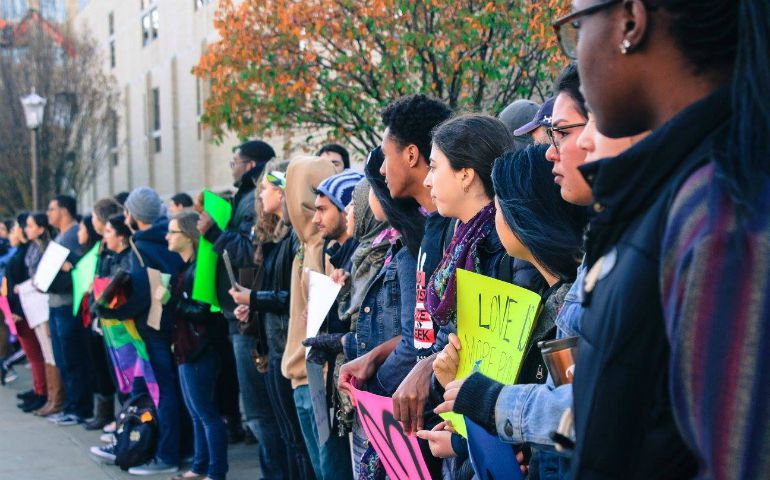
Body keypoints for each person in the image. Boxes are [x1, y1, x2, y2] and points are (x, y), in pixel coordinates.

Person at [561, 0, 770, 478]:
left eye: (578, 24)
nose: (577, 49)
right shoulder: (680, 192)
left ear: (631, 21)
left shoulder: (724, 214)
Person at [431, 144, 586, 478]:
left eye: (499, 205)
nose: (494, 217)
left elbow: (569, 418)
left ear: (524, 215)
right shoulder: (556, 294)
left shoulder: (571, 308)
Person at [337, 147, 425, 479]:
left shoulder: (408, 251)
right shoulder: (397, 248)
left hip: (400, 405)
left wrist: (375, 392)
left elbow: (418, 339)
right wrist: (373, 356)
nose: (385, 175)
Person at [230, 163, 316, 480]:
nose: (260, 195)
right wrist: (252, 305)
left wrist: (253, 300)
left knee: (298, 442)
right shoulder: (280, 239)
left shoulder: (297, 239)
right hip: (278, 346)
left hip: (288, 349)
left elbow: (289, 298)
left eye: (266, 188)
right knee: (290, 438)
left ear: (283, 192)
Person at [197, 140, 282, 459]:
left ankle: (273, 472)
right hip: (244, 309)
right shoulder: (246, 197)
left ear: (249, 165)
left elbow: (250, 254)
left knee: (261, 411)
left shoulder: (251, 200)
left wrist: (215, 234)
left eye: (235, 161)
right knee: (260, 411)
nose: (231, 167)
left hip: (249, 314)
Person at [98, 187, 185, 475]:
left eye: (128, 213)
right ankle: (144, 444)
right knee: (160, 389)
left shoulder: (142, 246)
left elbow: (140, 295)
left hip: (152, 328)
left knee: (161, 391)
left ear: (135, 216)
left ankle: (167, 454)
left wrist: (108, 310)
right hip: (174, 325)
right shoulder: (165, 236)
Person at [282, 154, 348, 480]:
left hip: (319, 380)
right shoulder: (303, 244)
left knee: (331, 472)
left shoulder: (327, 245)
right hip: (301, 374)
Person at [164, 212, 230, 480]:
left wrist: (170, 299)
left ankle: (215, 471)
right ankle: (200, 467)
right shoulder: (185, 267)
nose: (167, 237)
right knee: (196, 413)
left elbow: (204, 310)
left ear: (189, 236)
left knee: (206, 414)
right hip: (185, 347)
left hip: (198, 349)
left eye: (173, 232)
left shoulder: (197, 268)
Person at [45, 194, 91, 426]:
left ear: (64, 210)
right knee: (63, 359)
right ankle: (71, 405)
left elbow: (81, 268)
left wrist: (67, 266)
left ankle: (79, 407)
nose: (48, 214)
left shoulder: (73, 235)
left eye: (52, 209)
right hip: (54, 304)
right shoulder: (60, 235)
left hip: (66, 305)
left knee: (73, 359)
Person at [75, 214, 119, 431]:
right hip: (93, 312)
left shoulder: (109, 253)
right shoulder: (98, 252)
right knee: (100, 365)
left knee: (111, 368)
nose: (79, 233)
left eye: (83, 229)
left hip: (107, 315)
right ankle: (105, 412)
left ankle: (113, 415)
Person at [5, 213, 48, 412]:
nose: (10, 234)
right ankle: (38, 388)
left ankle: (42, 391)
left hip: (25, 309)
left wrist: (18, 310)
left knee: (37, 354)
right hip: (16, 309)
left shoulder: (25, 253)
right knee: (34, 355)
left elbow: (28, 283)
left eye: (13, 229)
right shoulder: (21, 252)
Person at [23, 213, 64, 417]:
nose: (26, 229)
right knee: (46, 352)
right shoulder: (33, 248)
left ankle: (56, 399)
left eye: (30, 225)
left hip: (45, 303)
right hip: (35, 301)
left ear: (41, 228)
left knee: (51, 352)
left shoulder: (47, 249)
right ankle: (50, 397)